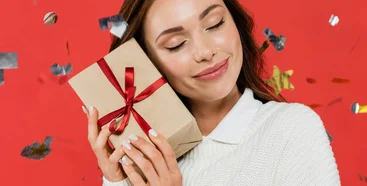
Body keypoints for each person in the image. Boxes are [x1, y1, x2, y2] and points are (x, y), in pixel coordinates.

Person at [83, 0, 340, 185]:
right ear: (148, 62)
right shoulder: (149, 157)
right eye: (176, 45)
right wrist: (117, 180)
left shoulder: (291, 128)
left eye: (215, 24)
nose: (205, 51)